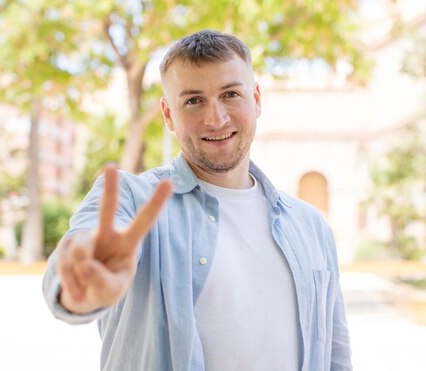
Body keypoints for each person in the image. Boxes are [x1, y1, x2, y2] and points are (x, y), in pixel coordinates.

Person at [43, 29, 352, 371]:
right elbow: (79, 252)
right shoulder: (132, 199)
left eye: (231, 94)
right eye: (193, 100)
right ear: (167, 115)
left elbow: (335, 356)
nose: (215, 118)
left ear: (257, 98)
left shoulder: (311, 226)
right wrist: (80, 287)